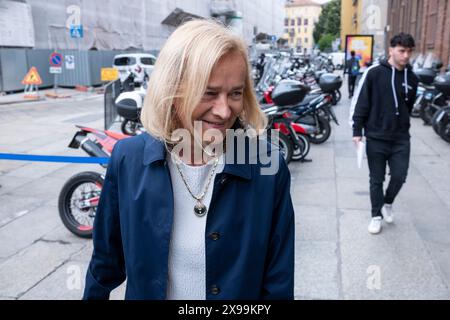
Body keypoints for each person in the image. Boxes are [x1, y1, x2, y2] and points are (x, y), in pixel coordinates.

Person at [83, 19, 295, 300]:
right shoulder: (128, 159)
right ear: (172, 90)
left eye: (235, 93)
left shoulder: (268, 166)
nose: (223, 110)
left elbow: (278, 282)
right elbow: (105, 264)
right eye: (208, 92)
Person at [350, 33, 418, 235]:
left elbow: (408, 105)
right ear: (391, 50)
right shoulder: (375, 73)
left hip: (400, 138)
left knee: (399, 175)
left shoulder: (412, 78)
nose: (406, 56)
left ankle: (387, 203)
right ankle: (376, 216)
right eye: (402, 51)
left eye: (409, 51)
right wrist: (357, 130)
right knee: (376, 179)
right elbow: (363, 102)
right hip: (376, 137)